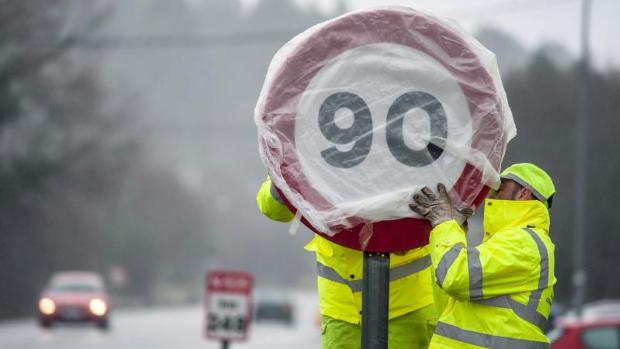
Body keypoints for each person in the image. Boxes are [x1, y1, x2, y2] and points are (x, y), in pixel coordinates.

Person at [257, 177, 438, 349]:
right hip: (342, 311)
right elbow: (274, 209)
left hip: (408, 307)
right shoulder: (307, 149)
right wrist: (285, 174)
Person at [409, 163, 556, 349]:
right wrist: (456, 228)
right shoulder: (512, 241)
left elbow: (454, 276)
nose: (491, 197)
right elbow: (450, 302)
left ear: (523, 194)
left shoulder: (525, 243)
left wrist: (445, 224)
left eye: (500, 190)